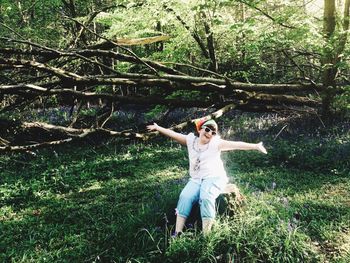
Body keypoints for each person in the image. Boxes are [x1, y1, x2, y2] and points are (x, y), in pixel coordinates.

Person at [147, 117, 267, 235]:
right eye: (207, 129)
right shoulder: (190, 141)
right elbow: (172, 134)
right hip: (196, 179)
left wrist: (255, 146)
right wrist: (158, 127)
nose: (209, 133)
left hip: (214, 177)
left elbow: (236, 144)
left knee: (206, 197)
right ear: (200, 129)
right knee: (185, 196)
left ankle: (206, 235)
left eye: (213, 132)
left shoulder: (216, 144)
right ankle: (178, 232)